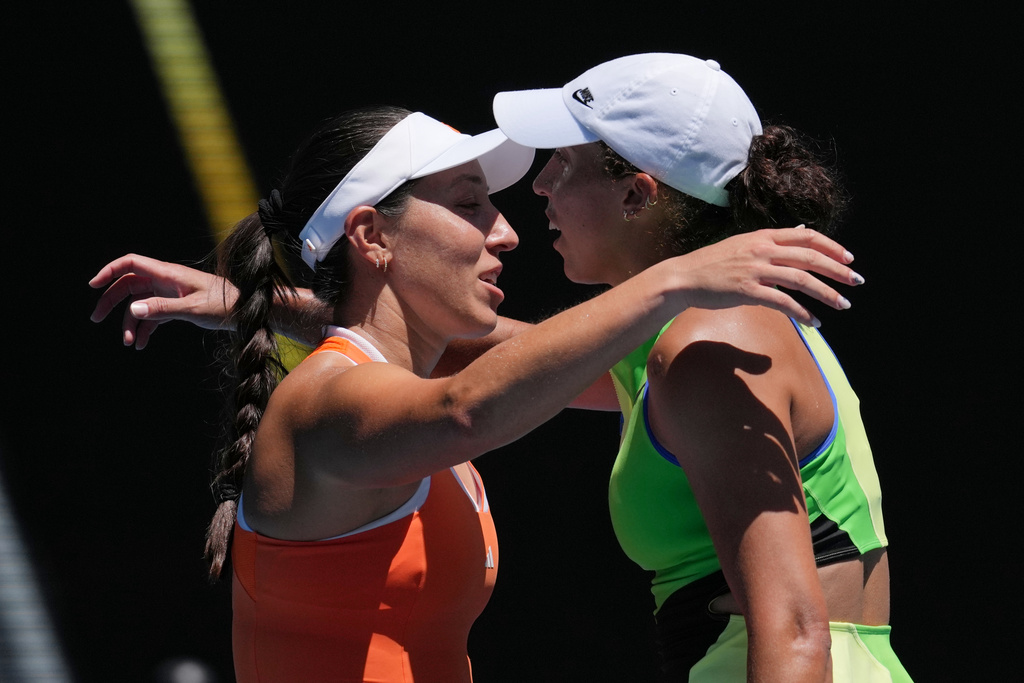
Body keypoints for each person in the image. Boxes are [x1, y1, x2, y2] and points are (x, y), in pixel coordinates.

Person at [91, 102, 862, 683]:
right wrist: (675, 277)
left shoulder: (390, 389)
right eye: (469, 204)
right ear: (372, 235)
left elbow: (547, 368)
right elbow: (467, 409)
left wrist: (256, 301)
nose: (507, 233)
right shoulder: (325, 401)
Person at [489, 53, 911, 681]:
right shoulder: (689, 335)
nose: (540, 184)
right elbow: (513, 363)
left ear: (637, 194)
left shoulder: (709, 344)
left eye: (564, 161)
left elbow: (796, 632)